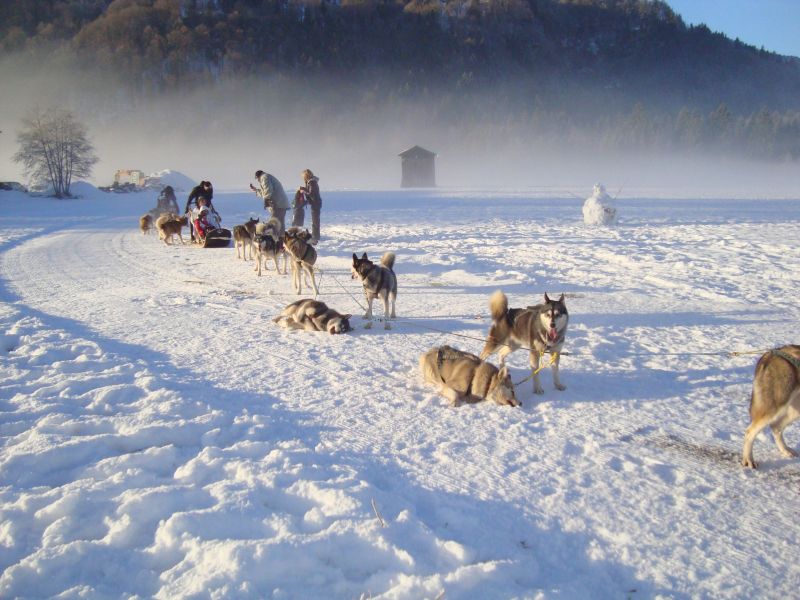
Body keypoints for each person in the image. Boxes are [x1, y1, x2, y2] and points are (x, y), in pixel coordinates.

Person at [300, 169, 322, 245]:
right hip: (316, 203)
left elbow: (311, 194)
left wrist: (304, 191)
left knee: (315, 221)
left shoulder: (312, 182)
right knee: (315, 220)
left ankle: (315, 236)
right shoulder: (311, 182)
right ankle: (315, 235)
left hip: (315, 203)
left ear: (306, 176)